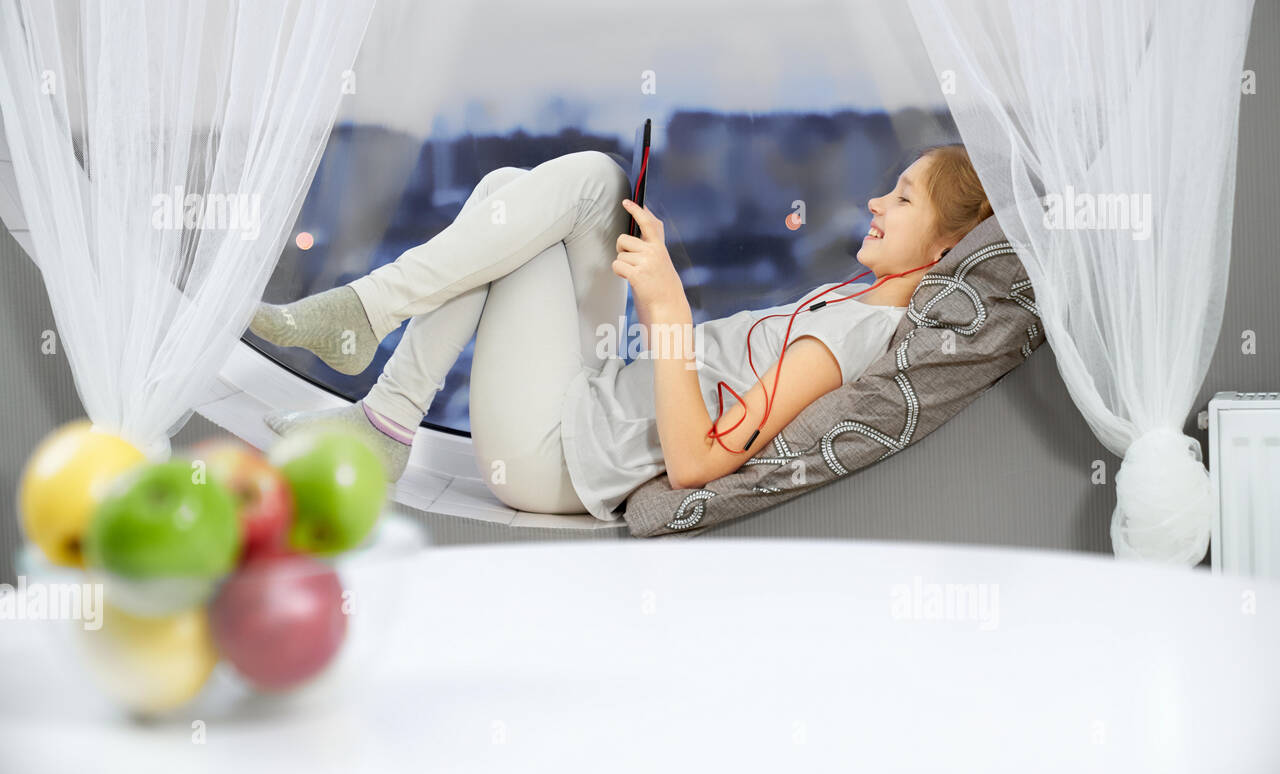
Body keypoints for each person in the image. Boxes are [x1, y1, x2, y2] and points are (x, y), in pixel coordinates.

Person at [250, 144, 992, 520]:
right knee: (542, 188)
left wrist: (667, 306)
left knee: (521, 204)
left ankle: (367, 326)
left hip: (562, 453)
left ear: (941, 248)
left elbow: (698, 461)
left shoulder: (857, 336)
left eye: (900, 197)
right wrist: (654, 295)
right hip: (597, 395)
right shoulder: (853, 305)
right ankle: (383, 402)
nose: (873, 201)